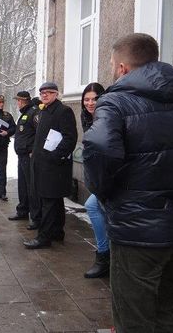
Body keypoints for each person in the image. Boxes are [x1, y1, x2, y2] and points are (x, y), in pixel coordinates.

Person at [83, 33, 173, 332]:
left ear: (122, 67)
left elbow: (101, 150)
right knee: (168, 310)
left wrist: (106, 193)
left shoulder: (115, 102)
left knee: (134, 317)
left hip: (138, 232)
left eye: (111, 63)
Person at [24, 82, 78, 249]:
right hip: (43, 165)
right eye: (42, 93)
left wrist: (54, 157)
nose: (44, 95)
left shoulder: (63, 111)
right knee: (55, 201)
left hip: (55, 166)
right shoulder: (44, 111)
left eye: (48, 92)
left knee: (48, 202)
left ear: (56, 94)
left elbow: (70, 138)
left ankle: (44, 237)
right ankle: (57, 232)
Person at [79, 82, 109, 278]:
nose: (90, 103)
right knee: (96, 208)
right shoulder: (88, 118)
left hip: (111, 175)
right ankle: (106, 255)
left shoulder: (107, 117)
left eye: (94, 99)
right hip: (99, 175)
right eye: (87, 99)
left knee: (92, 206)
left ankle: (104, 255)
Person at [8, 91, 38, 221]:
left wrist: (33, 151)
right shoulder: (25, 113)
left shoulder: (34, 113)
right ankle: (23, 211)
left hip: (29, 155)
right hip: (22, 155)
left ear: (24, 100)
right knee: (22, 185)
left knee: (31, 186)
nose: (17, 103)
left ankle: (36, 216)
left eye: (19, 101)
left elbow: (39, 134)